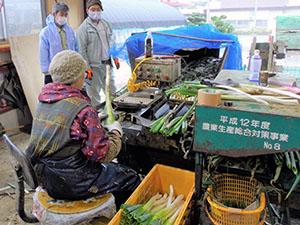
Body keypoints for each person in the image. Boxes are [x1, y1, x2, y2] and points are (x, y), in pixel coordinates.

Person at [26, 50, 140, 203]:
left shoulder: (44, 101)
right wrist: (115, 132)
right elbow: (102, 155)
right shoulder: (83, 109)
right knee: (130, 178)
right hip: (73, 182)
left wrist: (91, 122)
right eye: (83, 74)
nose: (85, 77)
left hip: (46, 176)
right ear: (77, 78)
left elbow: (62, 127)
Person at [77, 0, 117, 107]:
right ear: (87, 11)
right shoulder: (83, 28)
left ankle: (116, 117)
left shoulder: (106, 24)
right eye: (93, 9)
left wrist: (115, 57)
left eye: (98, 9)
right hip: (94, 68)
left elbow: (113, 41)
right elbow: (81, 50)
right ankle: (96, 120)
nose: (96, 12)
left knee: (113, 93)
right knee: (94, 96)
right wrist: (87, 67)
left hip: (108, 64)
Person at [39, 2, 78, 84]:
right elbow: (43, 53)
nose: (63, 17)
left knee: (67, 93)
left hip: (68, 69)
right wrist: (46, 71)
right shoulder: (46, 32)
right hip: (53, 71)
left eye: (66, 15)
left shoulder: (69, 30)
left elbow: (75, 48)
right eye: (61, 15)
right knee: (55, 95)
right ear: (54, 14)